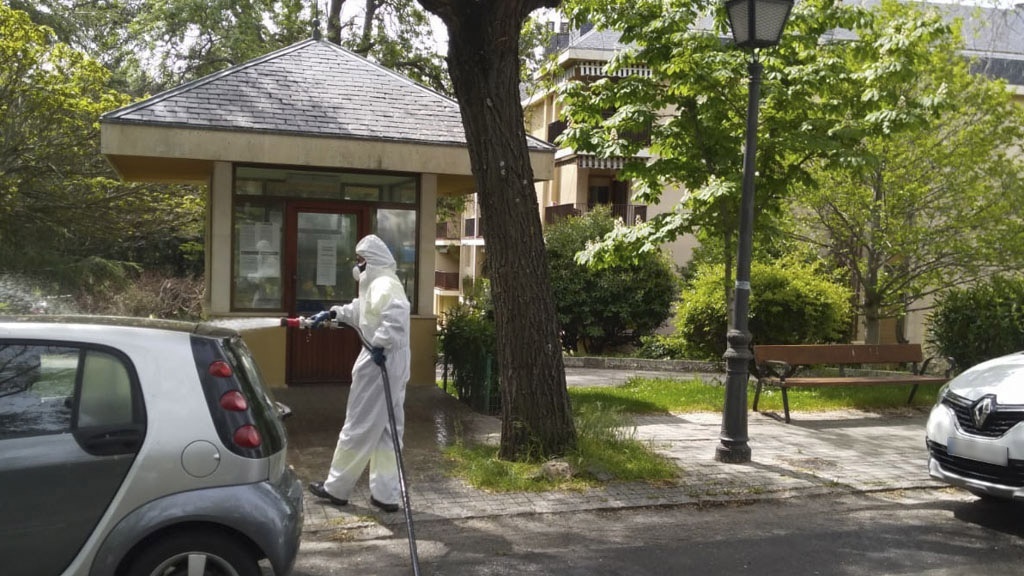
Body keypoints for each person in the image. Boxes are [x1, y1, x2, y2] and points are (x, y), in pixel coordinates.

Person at [308, 234, 411, 513]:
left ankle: (336, 488)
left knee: (359, 424)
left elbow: (398, 315)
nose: (358, 266)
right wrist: (333, 314)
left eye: (361, 261)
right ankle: (386, 495)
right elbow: (362, 311)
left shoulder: (384, 284)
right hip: (390, 359)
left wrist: (379, 344)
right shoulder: (376, 284)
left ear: (372, 261)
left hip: (380, 361)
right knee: (386, 430)